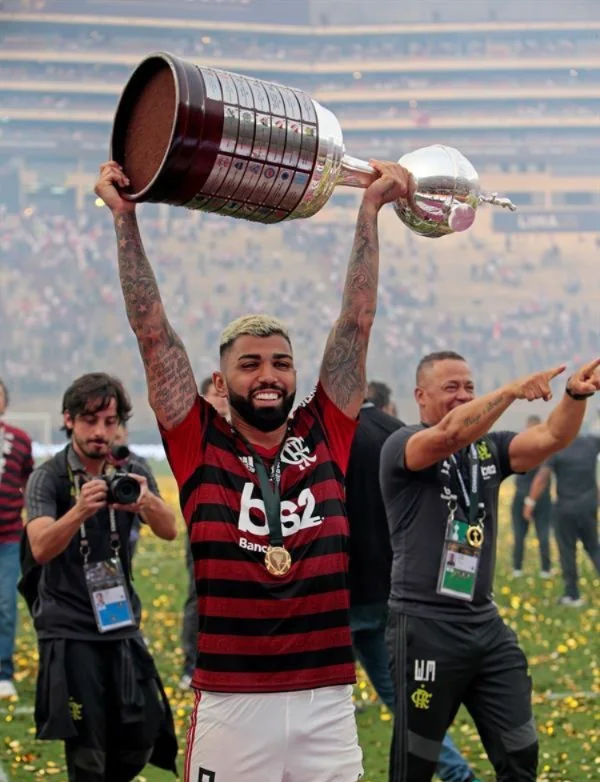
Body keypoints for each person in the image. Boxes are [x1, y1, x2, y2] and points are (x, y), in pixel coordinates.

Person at [96, 156, 412, 781]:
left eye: (280, 362)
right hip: (232, 701)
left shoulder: (326, 432)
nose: (268, 375)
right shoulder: (196, 441)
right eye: (250, 363)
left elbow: (356, 320)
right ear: (225, 375)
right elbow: (154, 334)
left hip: (327, 698)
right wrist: (125, 221)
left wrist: (370, 211)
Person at [380, 350, 600, 782]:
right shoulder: (403, 445)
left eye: (469, 387)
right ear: (420, 396)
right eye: (451, 388)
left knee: (521, 750)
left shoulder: (489, 449)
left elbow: (553, 437)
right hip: (424, 627)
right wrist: (512, 391)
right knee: (417, 760)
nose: (462, 396)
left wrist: (574, 395)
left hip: (485, 625)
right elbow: (447, 437)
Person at [23, 373, 178, 782]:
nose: (101, 432)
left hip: (120, 619)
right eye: (90, 421)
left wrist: (144, 500)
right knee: (88, 750)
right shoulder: (50, 477)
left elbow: (169, 529)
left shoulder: (131, 469)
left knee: (145, 731)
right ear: (69, 420)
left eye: (110, 422)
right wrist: (79, 511)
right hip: (69, 625)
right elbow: (39, 547)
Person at [345, 389, 480, 782]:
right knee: (405, 700)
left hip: (338, 588)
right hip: (393, 583)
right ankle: (457, 774)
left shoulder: (324, 436)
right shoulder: (400, 433)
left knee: (318, 705)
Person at [180, 376, 230, 688]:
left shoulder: (247, 430)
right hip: (203, 521)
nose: (223, 400)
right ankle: (191, 664)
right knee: (199, 595)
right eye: (217, 394)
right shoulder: (197, 432)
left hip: (241, 524)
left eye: (227, 394)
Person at [524, 432, 600, 606]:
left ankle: (572, 595)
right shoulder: (592, 443)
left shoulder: (558, 447)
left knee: (567, 551)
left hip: (565, 509)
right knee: (594, 547)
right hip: (588, 506)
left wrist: (530, 501)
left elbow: (542, 477)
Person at [0, 379, 34, 700]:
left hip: (9, 536)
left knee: (6, 605)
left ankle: (3, 671)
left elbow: (30, 480)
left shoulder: (20, 440)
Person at [110, 421, 160, 560]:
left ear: (126, 434)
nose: (114, 444)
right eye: (111, 439)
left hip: (130, 527)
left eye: (118, 438)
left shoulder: (138, 464)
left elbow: (167, 526)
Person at [511, 415, 553, 578]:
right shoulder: (547, 449)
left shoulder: (520, 446)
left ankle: (518, 569)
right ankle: (545, 570)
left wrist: (530, 500)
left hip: (529, 496)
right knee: (539, 534)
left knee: (522, 535)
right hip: (538, 497)